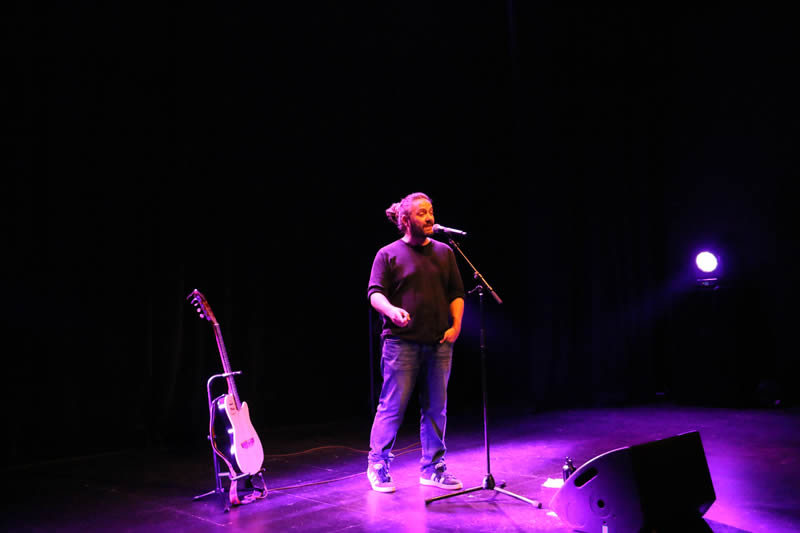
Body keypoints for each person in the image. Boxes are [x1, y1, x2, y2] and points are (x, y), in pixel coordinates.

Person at [366, 192, 466, 493]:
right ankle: (377, 464)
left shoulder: (445, 252)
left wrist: (456, 326)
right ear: (406, 220)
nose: (429, 217)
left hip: (439, 343)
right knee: (392, 407)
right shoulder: (388, 254)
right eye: (422, 213)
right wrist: (392, 311)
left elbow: (456, 293)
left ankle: (433, 468)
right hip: (401, 343)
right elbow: (375, 293)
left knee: (436, 408)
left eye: (431, 211)